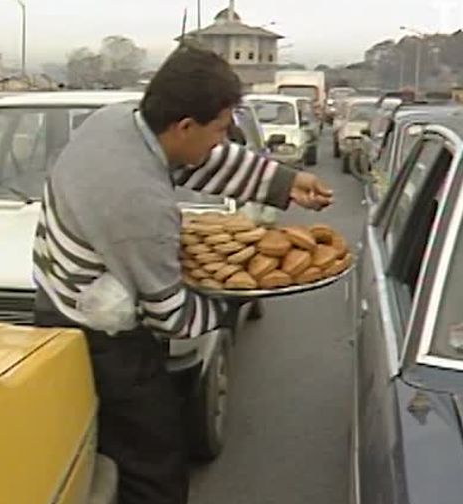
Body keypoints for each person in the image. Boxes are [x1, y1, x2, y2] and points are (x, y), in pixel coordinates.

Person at [32, 44, 332, 504]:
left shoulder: (119, 121)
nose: (222, 139)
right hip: (98, 334)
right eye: (218, 129)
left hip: (56, 291)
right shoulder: (140, 208)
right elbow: (172, 317)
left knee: (103, 446)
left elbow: (199, 158)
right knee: (152, 461)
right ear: (185, 124)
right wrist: (245, 291)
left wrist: (284, 183)